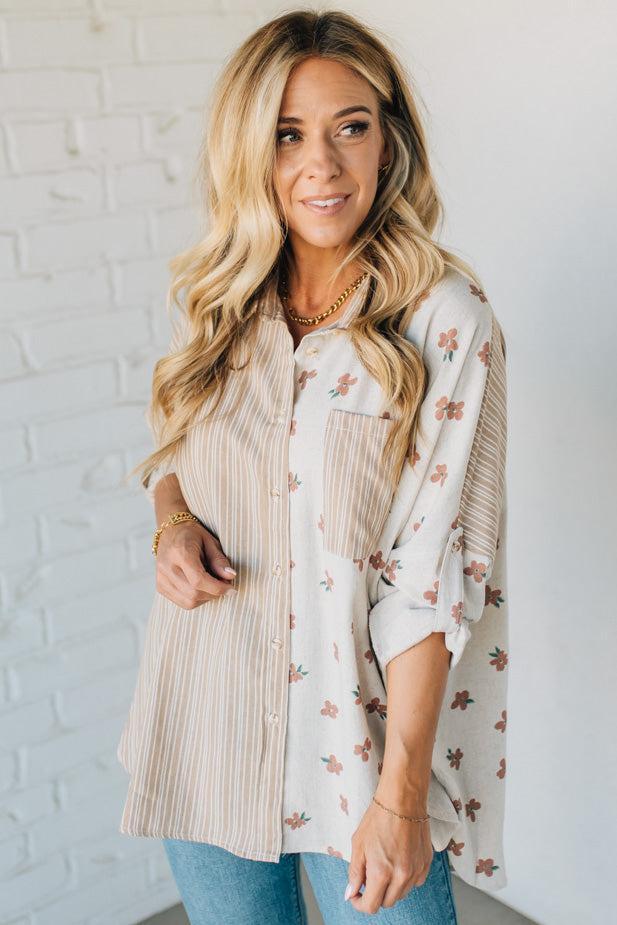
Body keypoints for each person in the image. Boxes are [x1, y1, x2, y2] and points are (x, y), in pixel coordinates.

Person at [116, 9, 509, 923]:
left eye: (350, 127)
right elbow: (174, 450)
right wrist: (172, 519)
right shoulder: (218, 295)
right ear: (250, 147)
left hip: (358, 753)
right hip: (207, 716)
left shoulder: (444, 320)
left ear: (389, 141)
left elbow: (432, 578)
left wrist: (400, 795)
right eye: (289, 134)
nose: (321, 166)